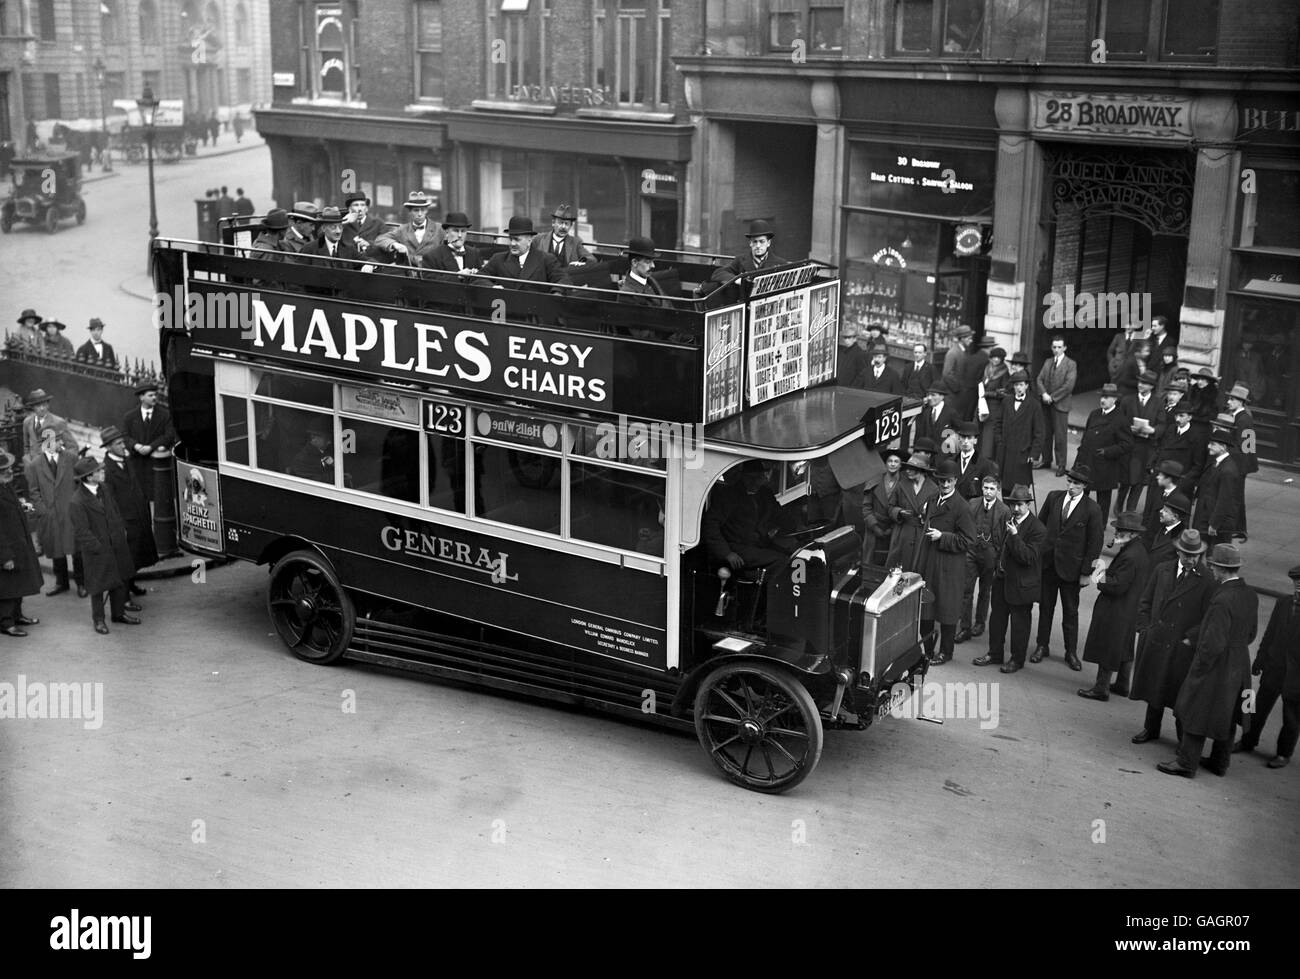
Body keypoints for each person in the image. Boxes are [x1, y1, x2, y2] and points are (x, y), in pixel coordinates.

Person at [1159, 544, 1257, 778]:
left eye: (1213, 566)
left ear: (1221, 569)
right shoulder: (1249, 594)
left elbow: (1212, 642)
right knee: (1230, 714)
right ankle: (1220, 762)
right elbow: (1251, 633)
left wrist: (1200, 667)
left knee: (1196, 711)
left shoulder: (1222, 599)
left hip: (1217, 666)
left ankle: (1186, 762)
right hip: (1239, 664)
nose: (1211, 570)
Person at [1131, 529, 1212, 745]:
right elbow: (1145, 600)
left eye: (1194, 556)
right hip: (1157, 639)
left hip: (1181, 646)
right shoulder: (1162, 570)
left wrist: (1191, 638)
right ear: (1178, 552)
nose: (1190, 560)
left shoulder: (1206, 578)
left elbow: (1207, 616)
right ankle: (1151, 728)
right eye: (1186, 555)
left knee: (1179, 694)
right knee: (1154, 687)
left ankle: (1182, 739)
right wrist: (1144, 628)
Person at [1032, 463, 1103, 672]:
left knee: (1070, 612)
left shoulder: (1092, 509)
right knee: (1046, 607)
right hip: (1049, 564)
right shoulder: (1054, 498)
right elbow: (1040, 526)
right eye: (1070, 482)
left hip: (1072, 570)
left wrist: (1085, 573)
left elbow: (1095, 543)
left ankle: (1070, 652)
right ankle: (1041, 645)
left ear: (1085, 486)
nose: (1071, 486)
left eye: (1077, 484)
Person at [973, 484, 1045, 673]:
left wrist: (1014, 536)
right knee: (997, 620)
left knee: (1020, 625)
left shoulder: (1037, 528)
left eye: (1020, 505)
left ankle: (1017, 659)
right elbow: (999, 545)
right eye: (1013, 504)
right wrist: (997, 566)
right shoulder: (1010, 519)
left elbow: (1028, 557)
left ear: (1028, 504)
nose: (1015, 508)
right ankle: (995, 653)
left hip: (1021, 586)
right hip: (1002, 580)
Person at [1079, 511, 1151, 700]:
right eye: (1118, 529)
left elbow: (1117, 586)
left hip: (1117, 609)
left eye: (1122, 530)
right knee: (1124, 648)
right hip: (1128, 608)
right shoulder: (1137, 550)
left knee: (1108, 648)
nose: (1117, 533)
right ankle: (1122, 684)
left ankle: (1101, 688)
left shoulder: (1130, 555)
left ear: (1133, 534)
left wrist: (1100, 576)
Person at [1236, 564, 1300, 769]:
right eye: (1296, 583)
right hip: (1274, 668)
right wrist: (1260, 660)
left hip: (1297, 676)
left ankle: (1284, 753)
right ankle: (1248, 741)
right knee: (1258, 708)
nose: (1298, 587)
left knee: (1291, 718)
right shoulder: (1283, 603)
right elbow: (1270, 633)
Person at [912, 458, 975, 665]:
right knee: (927, 610)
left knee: (947, 614)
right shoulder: (932, 499)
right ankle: (928, 651)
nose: (945, 485)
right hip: (930, 563)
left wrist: (943, 536)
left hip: (949, 567)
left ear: (955, 481)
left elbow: (968, 540)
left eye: (949, 481)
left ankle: (946, 652)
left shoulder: (962, 507)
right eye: (941, 481)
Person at [69, 456, 140, 635]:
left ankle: (118, 614)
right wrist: (98, 547)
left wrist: (120, 530)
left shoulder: (104, 489)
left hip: (116, 544)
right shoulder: (77, 501)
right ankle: (98, 620)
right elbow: (82, 531)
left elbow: (114, 510)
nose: (102, 472)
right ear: (88, 477)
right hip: (97, 551)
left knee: (119, 579)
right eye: (98, 471)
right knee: (98, 586)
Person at [23, 428, 86, 597]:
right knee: (56, 549)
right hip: (50, 515)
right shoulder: (35, 464)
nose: (61, 443)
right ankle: (61, 582)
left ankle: (82, 583)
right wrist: (44, 511)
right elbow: (34, 491)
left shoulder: (71, 458)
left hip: (70, 512)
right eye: (57, 440)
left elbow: (81, 483)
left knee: (77, 549)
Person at [703, 460, 795, 573]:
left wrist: (795, 527)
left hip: (760, 544)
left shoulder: (765, 494)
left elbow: (780, 515)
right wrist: (726, 553)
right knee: (781, 561)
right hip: (736, 548)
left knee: (793, 555)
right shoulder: (729, 496)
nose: (755, 482)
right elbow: (710, 525)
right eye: (751, 478)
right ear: (742, 477)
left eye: (759, 478)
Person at [100, 425, 158, 598]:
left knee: (137, 556)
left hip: (138, 515)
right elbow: (109, 502)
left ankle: (132, 585)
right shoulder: (106, 470)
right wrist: (119, 526)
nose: (123, 446)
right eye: (118, 444)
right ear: (109, 447)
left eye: (122, 442)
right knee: (126, 560)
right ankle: (123, 597)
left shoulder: (126, 460)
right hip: (125, 521)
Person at [958, 473, 1008, 644]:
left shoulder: (1004, 511)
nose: (988, 492)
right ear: (982, 488)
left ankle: (979, 623)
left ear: (998, 490)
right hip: (971, 552)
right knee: (966, 589)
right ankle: (964, 627)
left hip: (990, 555)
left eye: (992, 489)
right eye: (986, 488)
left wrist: (999, 560)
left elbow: (1005, 538)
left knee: (985, 591)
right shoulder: (972, 504)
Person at [1074, 382, 1133, 525]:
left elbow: (1127, 444)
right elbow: (1085, 439)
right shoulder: (1094, 414)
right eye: (1102, 397)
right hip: (1087, 462)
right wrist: (1078, 462)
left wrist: (1107, 452)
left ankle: (1099, 527)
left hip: (1105, 466)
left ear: (1114, 400)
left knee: (1103, 500)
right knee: (1081, 495)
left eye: (1107, 397)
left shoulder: (1120, 419)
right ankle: (1079, 522)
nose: (1103, 400)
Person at [0, 449, 43, 638]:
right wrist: (5, 556)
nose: (9, 472)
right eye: (3, 470)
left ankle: (17, 616)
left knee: (19, 584)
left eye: (8, 468)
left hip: (19, 545)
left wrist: (21, 506)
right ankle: (6, 623)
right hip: (7, 550)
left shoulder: (5, 486)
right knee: (8, 588)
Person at [121, 381, 176, 510]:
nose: (154, 398)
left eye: (155, 395)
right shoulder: (130, 417)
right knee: (139, 498)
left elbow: (169, 435)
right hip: (138, 463)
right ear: (141, 397)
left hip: (157, 464)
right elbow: (125, 436)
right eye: (150, 395)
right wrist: (136, 446)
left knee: (159, 497)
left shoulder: (164, 415)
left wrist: (151, 447)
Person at [481, 216, 571, 291]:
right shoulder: (498, 259)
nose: (512, 243)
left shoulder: (546, 260)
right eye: (511, 239)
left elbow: (563, 280)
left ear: (530, 240)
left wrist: (555, 294)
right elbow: (478, 278)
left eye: (517, 239)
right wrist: (492, 287)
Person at [992, 368, 1043, 494]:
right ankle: (1006, 513)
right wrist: (999, 441)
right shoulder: (1006, 401)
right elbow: (997, 423)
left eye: (1021, 385)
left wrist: (1034, 453)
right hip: (1006, 451)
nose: (1018, 388)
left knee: (1020, 491)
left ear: (1026, 386)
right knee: (1005, 489)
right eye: (1016, 385)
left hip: (1023, 453)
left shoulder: (1034, 405)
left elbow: (1039, 432)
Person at [1192, 425, 1241, 547]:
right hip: (1207, 517)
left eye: (1213, 444)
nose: (1209, 447)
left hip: (1218, 524)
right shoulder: (1218, 462)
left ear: (1223, 447)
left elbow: (1224, 500)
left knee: (1214, 554)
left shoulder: (1227, 470)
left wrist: (1214, 524)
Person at [1118, 369, 1160, 511]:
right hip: (1129, 445)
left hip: (1146, 448)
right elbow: (1118, 421)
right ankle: (1119, 504)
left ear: (1152, 386)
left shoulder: (1158, 403)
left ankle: (1130, 510)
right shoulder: (1127, 400)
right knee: (1125, 479)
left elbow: (1163, 425)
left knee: (1140, 482)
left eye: (1145, 383)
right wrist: (1128, 428)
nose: (1141, 385)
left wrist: (1153, 430)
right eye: (1140, 382)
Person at [1036, 335, 1077, 476]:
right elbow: (1039, 379)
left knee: (1060, 436)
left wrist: (1052, 397)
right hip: (1046, 403)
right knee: (1046, 433)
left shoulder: (1070, 364)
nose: (1056, 350)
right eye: (1054, 347)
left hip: (1060, 404)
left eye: (1059, 347)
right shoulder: (1048, 362)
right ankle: (1046, 459)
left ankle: (1061, 464)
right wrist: (1044, 394)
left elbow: (1068, 386)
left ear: (1064, 348)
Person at [708, 219, 788, 289]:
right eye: (755, 242)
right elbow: (718, 273)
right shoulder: (740, 260)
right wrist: (737, 279)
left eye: (762, 241)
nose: (758, 246)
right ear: (750, 243)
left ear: (768, 243)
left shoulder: (780, 263)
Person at [1222, 383, 1257, 541]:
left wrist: (1228, 454)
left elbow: (1247, 446)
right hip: (1241, 463)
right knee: (1237, 496)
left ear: (1240, 402)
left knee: (1235, 497)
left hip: (1239, 464)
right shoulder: (1239, 417)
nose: (1229, 402)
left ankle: (1235, 528)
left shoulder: (1243, 420)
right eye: (1229, 399)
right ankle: (1240, 528)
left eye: (1232, 399)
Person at [861, 448, 903, 567]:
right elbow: (866, 508)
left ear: (900, 465)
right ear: (885, 463)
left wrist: (891, 529)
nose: (893, 464)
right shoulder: (874, 482)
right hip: (874, 529)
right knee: (870, 563)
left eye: (896, 461)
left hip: (893, 531)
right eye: (890, 461)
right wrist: (875, 527)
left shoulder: (904, 485)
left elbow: (905, 510)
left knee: (890, 566)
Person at [21, 388, 78, 461]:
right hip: (35, 466)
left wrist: (64, 463)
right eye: (38, 406)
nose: (42, 408)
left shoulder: (58, 422)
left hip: (52, 466)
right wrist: (28, 462)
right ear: (33, 407)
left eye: (44, 405)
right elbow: (26, 446)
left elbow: (73, 447)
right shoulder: (27, 422)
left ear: (48, 405)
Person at [530, 203, 595, 268]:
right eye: (560, 223)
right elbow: (525, 252)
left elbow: (592, 259)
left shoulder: (576, 242)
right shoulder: (539, 239)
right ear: (553, 223)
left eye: (566, 224)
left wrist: (581, 263)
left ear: (570, 226)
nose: (563, 227)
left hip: (565, 276)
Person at [617, 236, 669, 308]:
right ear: (634, 262)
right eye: (648, 262)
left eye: (653, 261)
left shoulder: (651, 281)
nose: (653, 266)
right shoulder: (627, 295)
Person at [977, 345, 1009, 457]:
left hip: (994, 406)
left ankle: (987, 457)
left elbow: (1005, 392)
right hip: (982, 404)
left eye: (998, 358)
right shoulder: (987, 368)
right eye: (994, 357)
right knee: (980, 431)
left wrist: (988, 394)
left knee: (989, 433)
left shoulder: (1004, 372)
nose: (995, 360)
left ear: (1002, 359)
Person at [953, 333, 992, 421]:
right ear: (990, 348)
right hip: (974, 392)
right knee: (969, 417)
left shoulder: (971, 357)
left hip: (962, 391)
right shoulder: (986, 361)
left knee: (960, 416)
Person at [1147, 492, 1191, 569]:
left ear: (1175, 516)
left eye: (1165, 511)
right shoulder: (1162, 527)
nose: (1161, 511)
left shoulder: (1182, 537)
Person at [953, 422, 996, 501]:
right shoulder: (952, 462)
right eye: (963, 437)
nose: (965, 441)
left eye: (969, 438)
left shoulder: (985, 464)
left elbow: (989, 493)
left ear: (975, 440)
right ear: (959, 439)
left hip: (973, 510)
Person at [915, 380, 959, 456]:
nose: (929, 397)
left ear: (942, 396)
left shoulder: (951, 413)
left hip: (944, 456)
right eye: (928, 395)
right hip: (927, 455)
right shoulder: (926, 412)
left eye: (933, 395)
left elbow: (959, 430)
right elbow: (921, 434)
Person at [339, 191, 385, 256]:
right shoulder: (343, 223)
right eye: (356, 205)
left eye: (362, 205)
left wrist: (369, 244)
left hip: (373, 261)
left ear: (366, 209)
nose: (360, 209)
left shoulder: (378, 223)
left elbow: (385, 242)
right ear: (350, 209)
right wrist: (344, 222)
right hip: (349, 262)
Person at [837, 323, 869, 389]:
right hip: (842, 388)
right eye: (845, 337)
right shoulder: (846, 351)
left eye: (849, 337)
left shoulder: (859, 354)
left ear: (855, 338)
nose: (846, 340)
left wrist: (852, 388)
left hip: (850, 390)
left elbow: (862, 375)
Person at [941, 326, 972, 392]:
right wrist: (958, 388)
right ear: (962, 339)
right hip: (952, 394)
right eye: (969, 338)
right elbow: (947, 374)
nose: (971, 341)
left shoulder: (965, 351)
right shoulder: (952, 353)